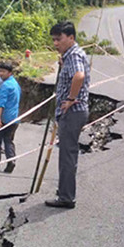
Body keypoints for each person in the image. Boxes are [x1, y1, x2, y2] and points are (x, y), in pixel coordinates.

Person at [45, 21, 90, 209]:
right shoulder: (71, 54)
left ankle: (66, 197)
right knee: (68, 154)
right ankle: (65, 190)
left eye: (59, 39)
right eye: (54, 40)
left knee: (67, 155)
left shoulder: (73, 55)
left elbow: (79, 76)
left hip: (72, 112)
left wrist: (71, 98)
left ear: (71, 37)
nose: (56, 43)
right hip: (74, 112)